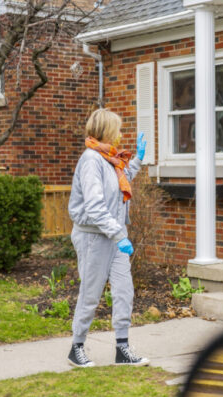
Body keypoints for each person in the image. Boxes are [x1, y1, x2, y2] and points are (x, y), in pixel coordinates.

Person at [67, 108, 149, 367]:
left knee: (124, 291)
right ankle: (76, 348)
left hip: (115, 237)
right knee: (90, 294)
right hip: (94, 237)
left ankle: (122, 349)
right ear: (106, 131)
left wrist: (136, 161)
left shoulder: (109, 159)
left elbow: (117, 185)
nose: (120, 134)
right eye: (118, 129)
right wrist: (117, 234)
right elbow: (94, 206)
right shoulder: (91, 159)